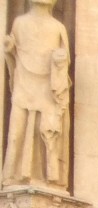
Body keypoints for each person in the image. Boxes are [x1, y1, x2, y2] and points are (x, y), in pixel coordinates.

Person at [2, 0, 71, 188]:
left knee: (47, 134)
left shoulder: (58, 27)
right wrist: (10, 48)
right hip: (24, 83)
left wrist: (60, 60)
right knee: (16, 132)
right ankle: (12, 175)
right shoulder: (19, 23)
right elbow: (12, 53)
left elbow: (64, 61)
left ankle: (49, 177)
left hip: (47, 87)